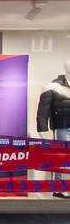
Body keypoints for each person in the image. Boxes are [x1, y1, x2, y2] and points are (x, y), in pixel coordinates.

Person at [37, 59, 70, 198]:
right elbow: (43, 109)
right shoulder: (52, 87)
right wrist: (42, 128)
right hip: (63, 127)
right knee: (62, 158)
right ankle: (60, 188)